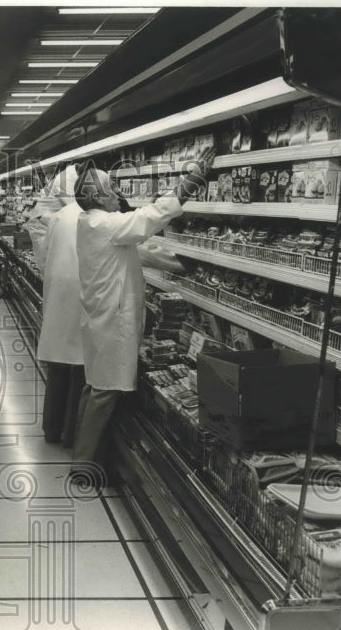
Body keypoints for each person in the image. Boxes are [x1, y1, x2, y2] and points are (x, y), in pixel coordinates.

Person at [72, 151, 213, 481]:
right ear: (97, 197)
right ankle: (83, 467)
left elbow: (139, 248)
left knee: (95, 387)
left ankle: (79, 448)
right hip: (110, 321)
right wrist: (190, 183)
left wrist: (179, 263)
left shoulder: (92, 223)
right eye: (111, 190)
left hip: (101, 318)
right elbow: (151, 217)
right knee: (104, 392)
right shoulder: (104, 224)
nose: (117, 194)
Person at [23, 166, 86, 448]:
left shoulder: (56, 217)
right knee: (79, 373)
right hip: (79, 304)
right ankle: (71, 434)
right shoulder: (82, 219)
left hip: (58, 300)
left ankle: (51, 430)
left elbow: (44, 254)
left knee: (59, 369)